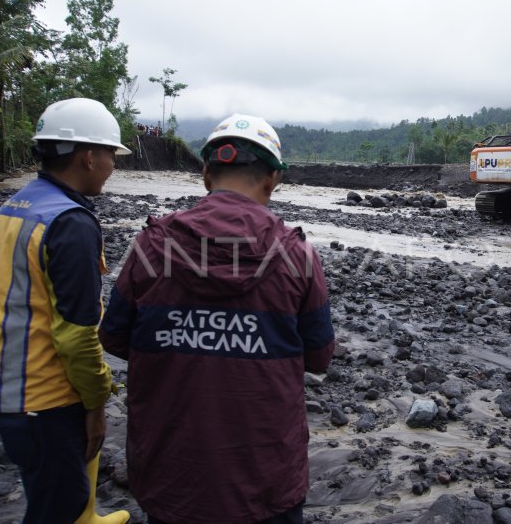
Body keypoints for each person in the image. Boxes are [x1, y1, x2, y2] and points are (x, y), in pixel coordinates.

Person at [99, 114, 336, 524]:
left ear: (206, 173)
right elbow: (318, 357)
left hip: (172, 478)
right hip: (266, 481)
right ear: (272, 179)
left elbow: (115, 337)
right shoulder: (298, 256)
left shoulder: (151, 247)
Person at [0, 98, 132, 524]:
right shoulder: (71, 223)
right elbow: (77, 334)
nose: (111, 167)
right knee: (57, 507)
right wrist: (98, 400)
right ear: (87, 156)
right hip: (42, 399)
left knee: (57, 490)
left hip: (2, 385)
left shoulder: (20, 204)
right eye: (109, 156)